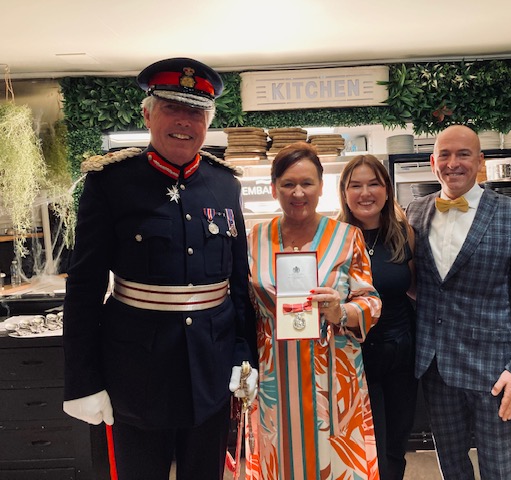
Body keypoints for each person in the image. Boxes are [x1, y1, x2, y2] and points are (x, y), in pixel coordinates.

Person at [62, 57, 257, 480]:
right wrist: (83, 380)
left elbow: (236, 285)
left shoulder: (226, 184)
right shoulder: (111, 182)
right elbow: (84, 287)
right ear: (148, 114)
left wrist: (243, 358)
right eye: (172, 107)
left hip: (211, 369)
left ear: (208, 121)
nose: (184, 121)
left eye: (196, 112)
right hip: (135, 373)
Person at [405, 125, 511, 479]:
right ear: (432, 161)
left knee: (498, 470)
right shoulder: (416, 212)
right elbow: (420, 283)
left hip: (495, 371)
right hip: (436, 366)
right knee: (451, 467)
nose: (453, 163)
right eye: (445, 155)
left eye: (463, 154)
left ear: (480, 161)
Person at [245, 142, 382, 480]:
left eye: (307, 183)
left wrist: (340, 311)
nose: (298, 192)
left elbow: (371, 301)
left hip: (333, 377)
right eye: (288, 183)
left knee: (334, 464)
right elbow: (242, 305)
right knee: (279, 461)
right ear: (274, 186)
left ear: (321, 186)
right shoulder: (255, 238)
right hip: (274, 375)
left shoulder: (347, 238)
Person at [337, 154, 418, 480]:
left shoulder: (404, 234)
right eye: (355, 185)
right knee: (363, 446)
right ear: (344, 192)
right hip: (354, 357)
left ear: (387, 189)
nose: (365, 192)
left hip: (402, 353)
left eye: (373, 183)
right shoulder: (334, 238)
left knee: (395, 445)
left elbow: (414, 288)